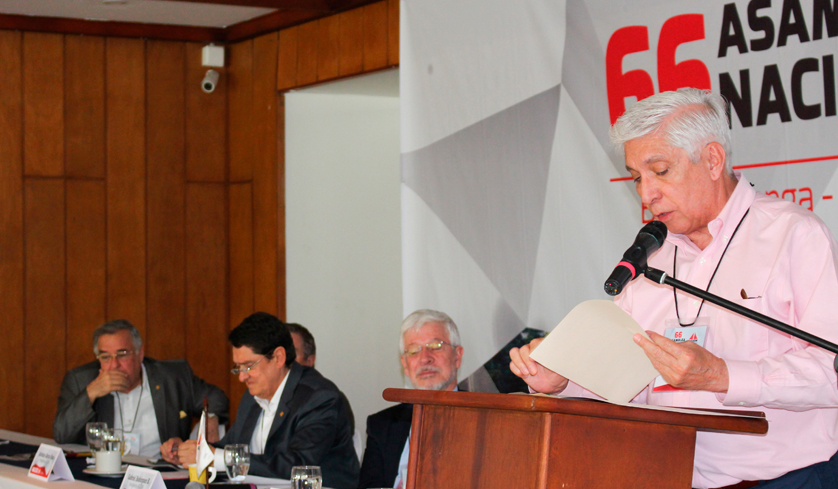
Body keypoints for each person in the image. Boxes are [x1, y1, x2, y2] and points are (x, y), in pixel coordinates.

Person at [510, 87, 838, 488]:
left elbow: (832, 370)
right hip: (670, 475)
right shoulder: (651, 258)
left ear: (713, 160)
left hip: (791, 479)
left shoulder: (793, 235)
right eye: (637, 177)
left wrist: (721, 375)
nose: (646, 194)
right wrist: (563, 381)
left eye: (661, 171)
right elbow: (626, 378)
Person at [160, 312, 359, 489]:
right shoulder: (253, 396)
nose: (241, 377)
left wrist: (217, 458)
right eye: (238, 367)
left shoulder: (319, 398)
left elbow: (297, 465)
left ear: (278, 357)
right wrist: (192, 451)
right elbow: (230, 448)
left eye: (248, 366)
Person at [53, 319, 229, 457]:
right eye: (105, 357)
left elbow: (216, 398)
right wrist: (91, 393)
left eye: (122, 354)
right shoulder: (81, 380)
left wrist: (210, 418)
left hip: (159, 473)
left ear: (140, 353)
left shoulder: (171, 377)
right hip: (104, 472)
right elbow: (61, 434)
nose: (114, 365)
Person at [358, 309, 465, 489]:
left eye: (435, 346)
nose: (425, 358)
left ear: (457, 356)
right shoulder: (382, 425)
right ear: (405, 366)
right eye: (414, 351)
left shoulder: (487, 420)